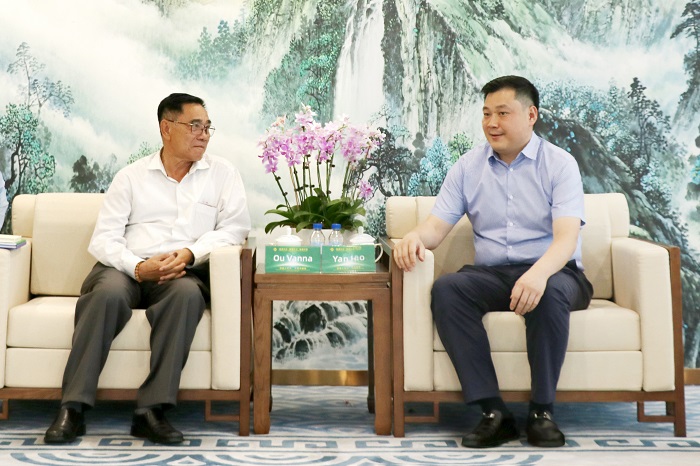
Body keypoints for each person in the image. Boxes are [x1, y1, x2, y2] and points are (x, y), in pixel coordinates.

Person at [393, 76, 593, 448]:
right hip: (493, 274)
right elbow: (436, 227)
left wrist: (537, 274)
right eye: (486, 114)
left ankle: (542, 412)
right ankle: (493, 412)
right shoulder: (468, 166)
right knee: (448, 289)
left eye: (502, 113)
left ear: (531, 115)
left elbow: (566, 239)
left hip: (556, 272)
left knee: (548, 291)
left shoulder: (559, 164)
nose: (492, 123)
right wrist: (414, 237)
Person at [44, 93, 251, 445]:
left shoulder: (223, 174)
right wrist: (139, 268)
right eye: (195, 126)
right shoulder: (131, 177)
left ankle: (151, 411)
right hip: (126, 267)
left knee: (186, 296)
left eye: (207, 127)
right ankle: (72, 408)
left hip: (182, 271)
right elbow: (104, 239)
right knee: (105, 295)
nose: (204, 134)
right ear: (166, 128)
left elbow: (235, 229)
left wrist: (189, 253)